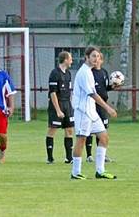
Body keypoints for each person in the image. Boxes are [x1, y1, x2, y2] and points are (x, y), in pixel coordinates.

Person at [70, 46, 118, 180]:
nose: (96, 59)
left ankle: (100, 171)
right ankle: (75, 172)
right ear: (87, 57)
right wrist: (108, 108)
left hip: (92, 112)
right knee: (81, 140)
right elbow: (93, 94)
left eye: (97, 56)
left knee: (104, 137)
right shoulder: (84, 72)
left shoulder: (90, 71)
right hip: (83, 112)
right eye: (93, 56)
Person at [86, 52, 118, 163]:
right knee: (89, 130)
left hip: (103, 105)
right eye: (94, 57)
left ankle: (102, 155)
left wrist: (112, 86)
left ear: (101, 60)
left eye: (98, 58)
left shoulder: (104, 72)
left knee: (102, 129)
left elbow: (105, 87)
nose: (96, 60)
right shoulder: (90, 73)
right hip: (92, 104)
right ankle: (89, 155)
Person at [46, 51, 75, 164]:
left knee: (69, 130)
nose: (72, 61)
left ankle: (69, 158)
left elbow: (69, 91)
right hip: (57, 105)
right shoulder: (54, 73)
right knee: (52, 130)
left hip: (67, 104)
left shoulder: (68, 73)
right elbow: (52, 93)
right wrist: (58, 110)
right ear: (66, 59)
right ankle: (50, 158)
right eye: (71, 58)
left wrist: (70, 106)